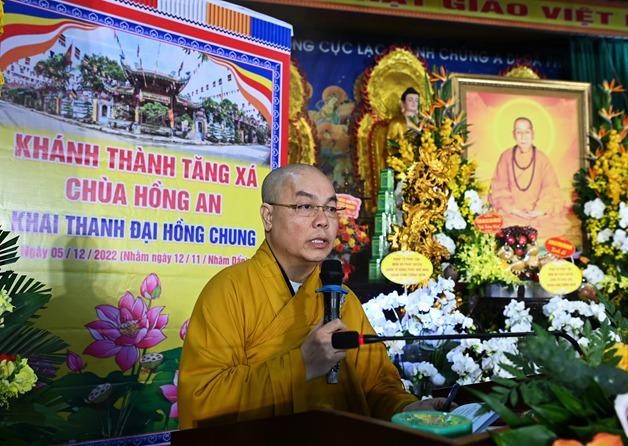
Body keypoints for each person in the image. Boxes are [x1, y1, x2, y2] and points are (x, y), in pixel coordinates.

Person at [178, 164, 449, 429]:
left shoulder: (343, 300)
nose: (323, 221)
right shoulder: (229, 291)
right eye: (305, 206)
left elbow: (377, 386)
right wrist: (302, 364)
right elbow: (203, 400)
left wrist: (407, 409)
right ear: (268, 216)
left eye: (330, 208)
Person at [489, 117, 569, 239]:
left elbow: (551, 188)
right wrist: (514, 210)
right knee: (502, 226)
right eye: (519, 132)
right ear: (514, 135)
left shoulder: (542, 158)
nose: (523, 136)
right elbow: (499, 188)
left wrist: (539, 210)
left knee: (551, 228)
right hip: (511, 214)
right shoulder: (506, 157)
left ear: (533, 134)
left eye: (527, 132)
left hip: (537, 215)